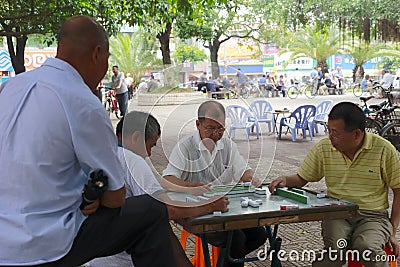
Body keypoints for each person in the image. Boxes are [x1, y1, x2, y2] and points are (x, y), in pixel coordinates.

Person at [0, 15, 176, 267]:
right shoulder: (81, 101)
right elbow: (115, 197)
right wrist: (94, 200)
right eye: (106, 59)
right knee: (150, 211)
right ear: (97, 54)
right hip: (42, 244)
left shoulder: (11, 87)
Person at [86, 112, 230, 267]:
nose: (149, 154)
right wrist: (210, 206)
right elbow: (166, 209)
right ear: (136, 138)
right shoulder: (131, 160)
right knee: (159, 223)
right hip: (122, 259)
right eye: (150, 146)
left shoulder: (98, 155)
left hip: (94, 255)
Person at [269, 102, 400, 267]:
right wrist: (286, 180)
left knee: (367, 247)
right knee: (335, 251)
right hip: (337, 212)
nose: (330, 137)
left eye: (335, 133)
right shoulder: (324, 148)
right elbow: (303, 178)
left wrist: (393, 232)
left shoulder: (383, 149)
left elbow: (398, 190)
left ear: (357, 134)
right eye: (329, 130)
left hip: (373, 216)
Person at [162, 100, 267, 267]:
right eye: (210, 128)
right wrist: (191, 187)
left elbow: (242, 170)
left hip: (224, 210)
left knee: (259, 234)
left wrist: (251, 178)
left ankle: (224, 263)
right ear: (198, 124)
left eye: (221, 129)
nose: (216, 134)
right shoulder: (185, 147)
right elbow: (167, 180)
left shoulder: (227, 145)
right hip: (196, 212)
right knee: (236, 239)